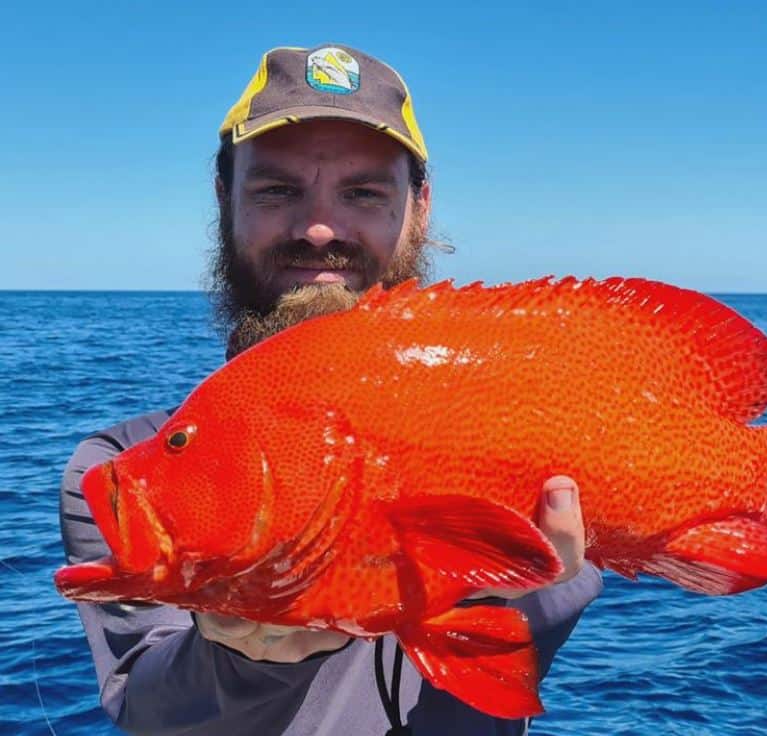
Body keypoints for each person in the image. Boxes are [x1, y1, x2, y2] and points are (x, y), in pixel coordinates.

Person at [60, 44, 603, 736]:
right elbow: (146, 702)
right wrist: (243, 658)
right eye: (277, 190)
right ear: (225, 198)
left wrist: (537, 576)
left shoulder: (516, 411)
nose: (319, 229)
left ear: (420, 208)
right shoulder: (126, 463)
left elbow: (497, 654)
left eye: (364, 193)